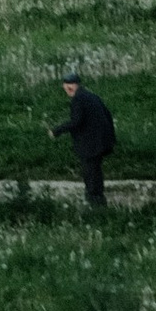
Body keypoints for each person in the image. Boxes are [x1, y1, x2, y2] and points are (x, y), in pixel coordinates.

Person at [50, 69, 116, 209]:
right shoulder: (91, 96)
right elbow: (107, 115)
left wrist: (57, 130)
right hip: (100, 142)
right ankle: (99, 203)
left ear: (75, 86)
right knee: (96, 173)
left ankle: (94, 204)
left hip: (90, 144)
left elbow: (76, 121)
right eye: (67, 85)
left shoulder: (78, 99)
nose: (69, 88)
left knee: (90, 174)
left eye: (70, 85)